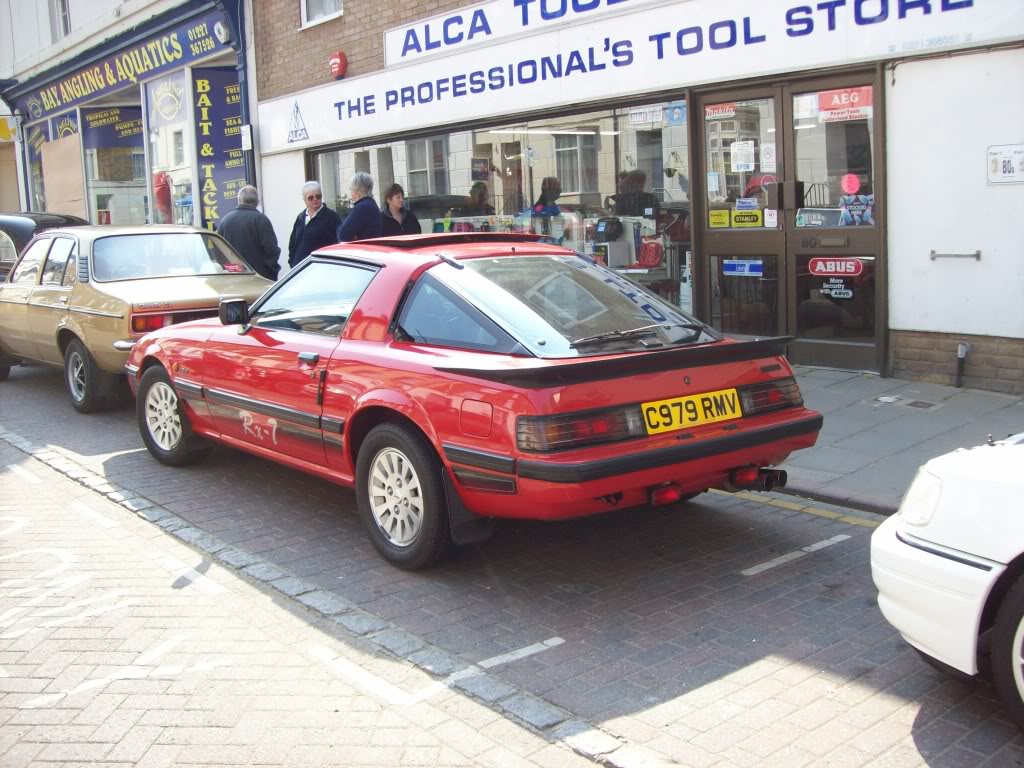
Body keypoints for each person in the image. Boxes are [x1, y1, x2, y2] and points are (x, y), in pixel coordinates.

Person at [216, 185, 281, 280]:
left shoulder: (225, 220)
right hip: (259, 277)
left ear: (239, 200)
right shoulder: (261, 219)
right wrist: (271, 271)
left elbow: (219, 250)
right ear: (257, 202)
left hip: (233, 276)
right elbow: (271, 249)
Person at [287, 181, 341, 268]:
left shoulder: (331, 217)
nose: (315, 199)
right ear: (304, 200)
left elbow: (337, 243)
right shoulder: (301, 217)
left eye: (318, 196)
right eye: (311, 197)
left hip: (319, 269)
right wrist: (292, 261)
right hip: (299, 269)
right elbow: (293, 242)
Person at [337, 171, 383, 242]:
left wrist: (340, 228)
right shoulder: (371, 204)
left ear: (357, 190)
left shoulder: (361, 208)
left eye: (351, 189)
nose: (351, 193)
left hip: (362, 250)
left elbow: (342, 235)